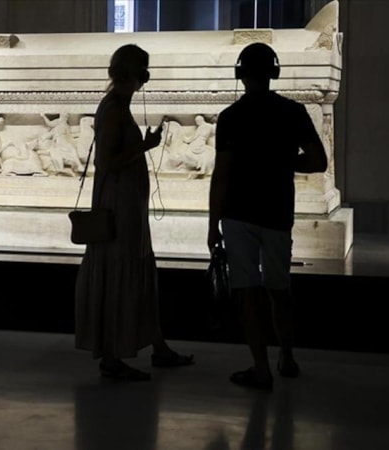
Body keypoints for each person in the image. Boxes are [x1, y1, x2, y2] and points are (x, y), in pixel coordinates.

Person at [207, 43, 328, 391]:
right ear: (274, 73)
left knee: (247, 292)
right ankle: (286, 356)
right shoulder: (293, 112)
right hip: (277, 211)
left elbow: (221, 175)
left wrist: (212, 224)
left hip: (237, 214)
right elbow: (318, 161)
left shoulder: (230, 117)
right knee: (280, 289)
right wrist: (284, 162)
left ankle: (260, 368)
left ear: (240, 74)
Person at [75, 44, 194, 381]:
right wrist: (145, 146)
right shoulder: (113, 108)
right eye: (143, 69)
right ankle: (112, 357)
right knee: (122, 273)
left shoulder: (119, 105)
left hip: (128, 205)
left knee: (137, 272)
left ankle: (158, 346)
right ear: (135, 73)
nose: (146, 76)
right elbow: (107, 161)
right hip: (118, 207)